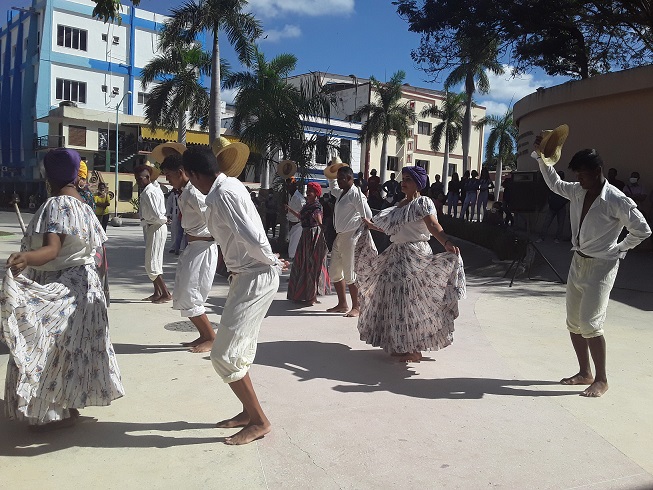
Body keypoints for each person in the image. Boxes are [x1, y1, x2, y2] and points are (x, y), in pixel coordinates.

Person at [1, 148, 124, 431]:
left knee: (42, 345)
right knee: (71, 349)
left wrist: (26, 258)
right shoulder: (84, 204)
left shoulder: (56, 205)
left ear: (47, 175)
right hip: (86, 287)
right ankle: (66, 405)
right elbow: (98, 252)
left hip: (63, 284)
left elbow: (51, 250)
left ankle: (44, 411)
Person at [182, 146, 288, 445]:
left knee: (224, 355)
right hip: (249, 275)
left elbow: (250, 236)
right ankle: (247, 412)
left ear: (191, 175)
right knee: (236, 352)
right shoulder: (230, 184)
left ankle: (259, 421)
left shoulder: (219, 194)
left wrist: (271, 260)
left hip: (255, 276)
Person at [532, 144, 651, 397]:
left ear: (597, 171)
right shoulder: (577, 191)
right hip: (578, 262)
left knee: (590, 323)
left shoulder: (616, 200)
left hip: (602, 267)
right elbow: (554, 184)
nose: (578, 179)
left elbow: (642, 229)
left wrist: (620, 249)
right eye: (576, 175)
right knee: (574, 322)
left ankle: (602, 379)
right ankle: (584, 372)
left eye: (583, 174)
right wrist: (543, 157)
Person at [356, 166, 466, 362]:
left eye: (408, 179)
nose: (403, 182)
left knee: (412, 302)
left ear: (418, 183)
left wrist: (446, 242)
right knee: (396, 302)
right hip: (396, 256)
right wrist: (371, 226)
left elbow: (433, 226)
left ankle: (414, 349)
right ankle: (402, 343)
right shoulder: (399, 206)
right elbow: (393, 229)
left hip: (414, 256)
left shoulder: (423, 203)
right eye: (403, 178)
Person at [160, 153, 219, 354]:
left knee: (191, 294)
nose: (167, 179)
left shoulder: (193, 193)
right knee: (185, 293)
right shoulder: (185, 193)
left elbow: (212, 217)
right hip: (193, 248)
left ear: (181, 172)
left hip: (203, 249)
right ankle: (204, 335)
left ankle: (211, 337)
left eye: (168, 175)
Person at [327, 165, 373, 317]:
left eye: (341, 178)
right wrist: (331, 172)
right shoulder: (341, 192)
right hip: (339, 236)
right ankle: (342, 304)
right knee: (334, 270)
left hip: (351, 237)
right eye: (338, 178)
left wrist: (360, 227)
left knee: (349, 273)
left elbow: (367, 213)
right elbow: (333, 187)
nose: (339, 181)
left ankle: (357, 307)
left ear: (349, 179)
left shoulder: (356, 194)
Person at [286, 182, 331, 304]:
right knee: (303, 264)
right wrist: (290, 210)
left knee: (312, 264)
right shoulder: (307, 205)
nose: (307, 194)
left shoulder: (317, 206)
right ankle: (303, 294)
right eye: (307, 191)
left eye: (310, 192)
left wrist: (321, 224)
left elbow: (318, 217)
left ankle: (311, 296)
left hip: (313, 236)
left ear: (316, 193)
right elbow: (301, 217)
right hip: (306, 236)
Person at [134, 163, 172, 303]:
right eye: (136, 179)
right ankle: (157, 292)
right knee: (155, 261)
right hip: (154, 227)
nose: (138, 181)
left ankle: (166, 293)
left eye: (140, 178)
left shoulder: (149, 192)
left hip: (156, 226)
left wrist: (151, 219)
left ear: (148, 177)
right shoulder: (154, 189)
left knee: (151, 263)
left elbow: (156, 213)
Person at [537, 171, 569, 242]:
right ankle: (542, 237)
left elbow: (568, 197)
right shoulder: (553, 185)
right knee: (546, 223)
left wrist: (562, 203)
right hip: (552, 207)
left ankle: (557, 238)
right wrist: (550, 202)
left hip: (560, 207)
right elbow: (548, 195)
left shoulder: (564, 186)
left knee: (560, 224)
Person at [286, 180, 306, 260]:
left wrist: (290, 210)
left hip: (298, 225)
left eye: (290, 184)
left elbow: (304, 213)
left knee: (293, 249)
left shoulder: (299, 198)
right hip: (292, 225)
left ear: (295, 185)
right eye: (287, 184)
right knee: (292, 247)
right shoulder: (291, 196)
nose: (288, 186)